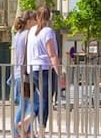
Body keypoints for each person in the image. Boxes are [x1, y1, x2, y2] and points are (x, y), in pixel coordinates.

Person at [27, 7, 63, 137]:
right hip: (45, 69)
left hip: (32, 68)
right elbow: (52, 54)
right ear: (49, 17)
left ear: (37, 17)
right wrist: (59, 72)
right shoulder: (48, 32)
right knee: (46, 100)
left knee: (40, 99)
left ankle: (30, 123)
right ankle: (40, 128)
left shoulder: (31, 31)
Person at [11, 10, 36, 138]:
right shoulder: (28, 34)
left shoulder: (18, 35)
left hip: (18, 73)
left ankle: (27, 132)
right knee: (30, 104)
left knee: (26, 104)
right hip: (25, 73)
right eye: (35, 20)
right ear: (30, 21)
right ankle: (19, 132)